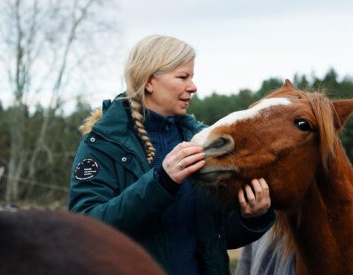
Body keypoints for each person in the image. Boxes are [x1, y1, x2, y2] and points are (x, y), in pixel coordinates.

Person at [68, 34, 275, 275]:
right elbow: (88, 230)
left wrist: (251, 217)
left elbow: (216, 237)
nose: (193, 87)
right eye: (182, 77)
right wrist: (161, 182)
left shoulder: (201, 142)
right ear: (149, 82)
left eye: (192, 77)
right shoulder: (103, 144)